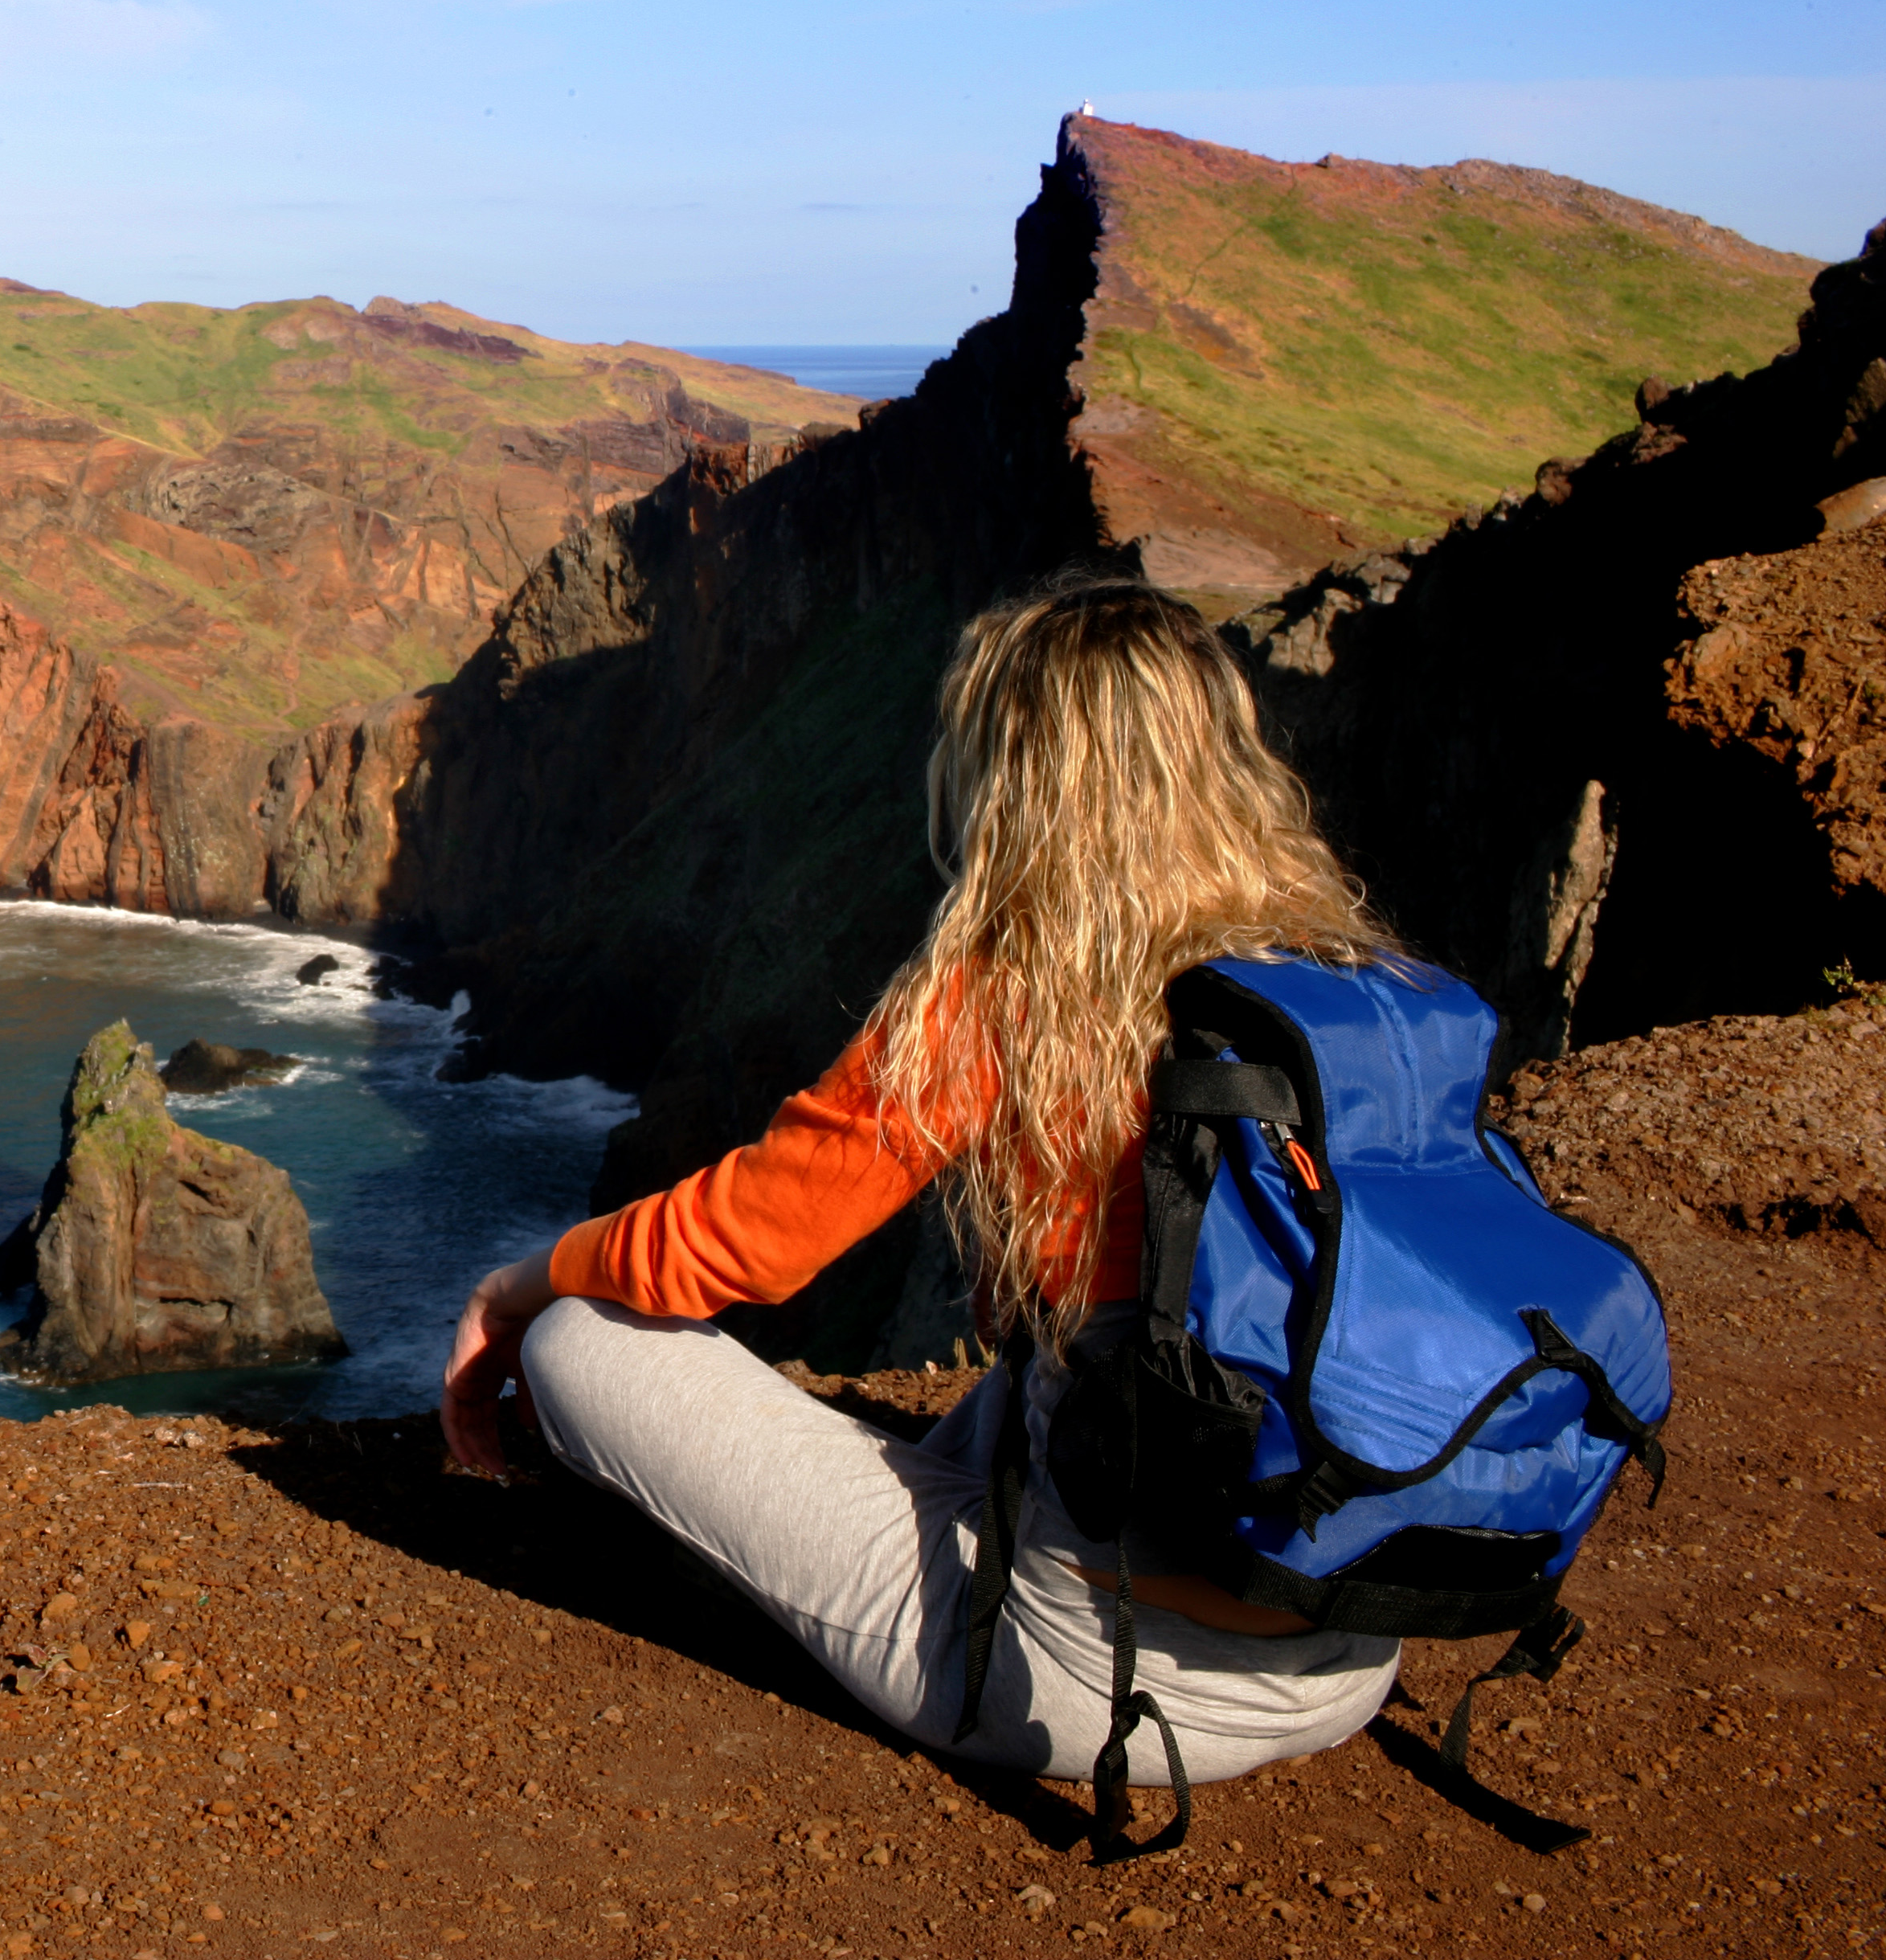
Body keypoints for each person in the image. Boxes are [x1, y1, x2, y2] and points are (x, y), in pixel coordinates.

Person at [436, 575, 1405, 1788]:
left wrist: (516, 1288)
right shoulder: (1349, 986)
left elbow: (747, 1239)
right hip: (1356, 1646)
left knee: (579, 1340)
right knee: (1095, 1349)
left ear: (1009, 778)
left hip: (1086, 1687)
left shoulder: (1013, 993)